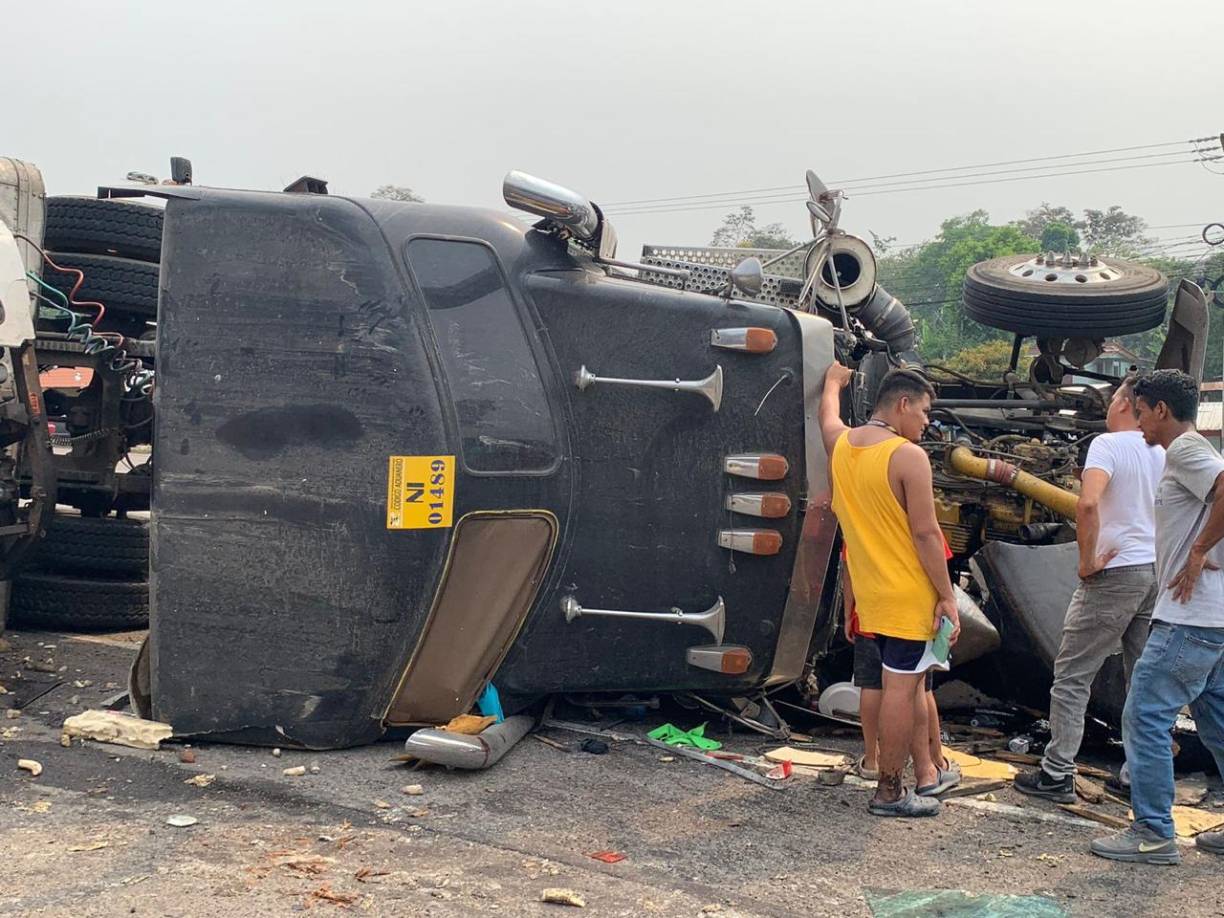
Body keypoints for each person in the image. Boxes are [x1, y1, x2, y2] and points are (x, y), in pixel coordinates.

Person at [1090, 370, 1224, 865]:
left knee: (1143, 715)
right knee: (1218, 724)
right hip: (1211, 621)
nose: (1139, 421)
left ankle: (1151, 832)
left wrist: (1198, 552)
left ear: (1162, 411)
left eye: (1142, 412)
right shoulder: (1186, 455)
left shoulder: (1187, 450)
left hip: (1188, 619)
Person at [1014, 376, 1164, 803]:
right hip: (1152, 572)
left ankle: (1057, 772)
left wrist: (1086, 561)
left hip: (1114, 572)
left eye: (1113, 397)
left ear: (1125, 405)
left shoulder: (1107, 445)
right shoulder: (1164, 449)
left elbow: (1087, 502)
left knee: (1073, 677)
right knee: (1143, 680)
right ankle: (1137, 774)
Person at [821, 363, 960, 817]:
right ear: (902, 405)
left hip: (871, 597)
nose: (926, 423)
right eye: (923, 412)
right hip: (908, 597)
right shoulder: (907, 457)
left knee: (898, 686)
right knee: (904, 690)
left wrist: (831, 385)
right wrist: (946, 595)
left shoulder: (841, 445)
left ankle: (915, 775)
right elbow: (925, 534)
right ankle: (889, 791)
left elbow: (828, 418)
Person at [844, 549, 959, 796]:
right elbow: (936, 554)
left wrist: (848, 612)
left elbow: (849, 569)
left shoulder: (860, 520)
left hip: (867, 614)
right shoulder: (910, 522)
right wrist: (947, 599)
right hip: (909, 616)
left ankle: (872, 760)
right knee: (918, 688)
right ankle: (933, 765)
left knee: (871, 686)